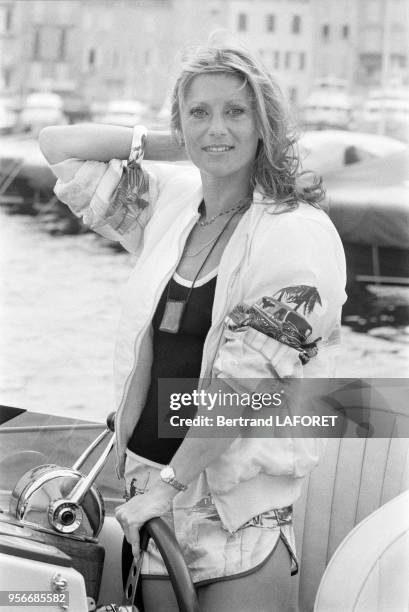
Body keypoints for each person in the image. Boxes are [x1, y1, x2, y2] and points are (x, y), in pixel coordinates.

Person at [39, 43, 346, 612]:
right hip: (152, 505)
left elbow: (246, 388)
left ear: (265, 122)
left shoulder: (295, 233)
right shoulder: (174, 204)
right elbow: (60, 148)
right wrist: (184, 141)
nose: (218, 128)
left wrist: (169, 487)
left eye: (237, 112)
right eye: (199, 112)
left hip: (236, 518)